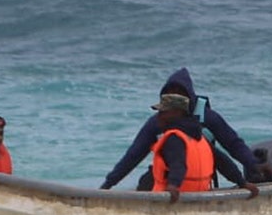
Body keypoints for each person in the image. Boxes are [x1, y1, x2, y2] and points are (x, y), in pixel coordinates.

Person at [100, 68, 261, 196]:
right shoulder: (169, 126)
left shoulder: (207, 119)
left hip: (181, 186)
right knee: (145, 182)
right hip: (178, 184)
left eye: (180, 93)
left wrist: (254, 167)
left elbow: (233, 145)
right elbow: (133, 156)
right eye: (169, 94)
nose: (160, 115)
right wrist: (108, 184)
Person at [149, 93, 255, 202]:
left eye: (163, 112)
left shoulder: (174, 138)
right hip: (200, 197)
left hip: (174, 199)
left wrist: (173, 185)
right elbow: (223, 162)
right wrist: (242, 182)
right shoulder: (199, 137)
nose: (159, 116)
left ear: (177, 113)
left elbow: (178, 164)